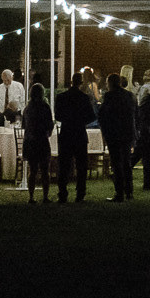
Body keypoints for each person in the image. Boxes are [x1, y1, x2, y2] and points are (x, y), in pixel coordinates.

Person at [55, 73, 96, 202]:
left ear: (71, 81)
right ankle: (80, 193)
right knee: (81, 166)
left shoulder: (61, 97)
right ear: (81, 83)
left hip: (66, 133)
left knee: (64, 166)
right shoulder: (84, 98)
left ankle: (62, 193)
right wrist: (80, 120)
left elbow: (58, 116)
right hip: (79, 133)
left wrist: (68, 119)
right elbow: (92, 116)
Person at [100, 74, 139, 200]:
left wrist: (105, 132)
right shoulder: (129, 95)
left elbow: (104, 115)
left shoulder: (109, 96)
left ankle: (119, 192)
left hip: (114, 133)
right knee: (126, 162)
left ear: (110, 83)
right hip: (127, 133)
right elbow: (136, 114)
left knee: (116, 162)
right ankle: (129, 191)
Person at [22, 84, 54, 203]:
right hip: (41, 140)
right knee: (45, 170)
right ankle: (45, 196)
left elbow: (24, 125)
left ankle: (31, 196)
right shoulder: (45, 107)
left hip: (30, 141)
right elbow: (49, 124)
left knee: (33, 170)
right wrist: (48, 132)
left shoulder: (28, 108)